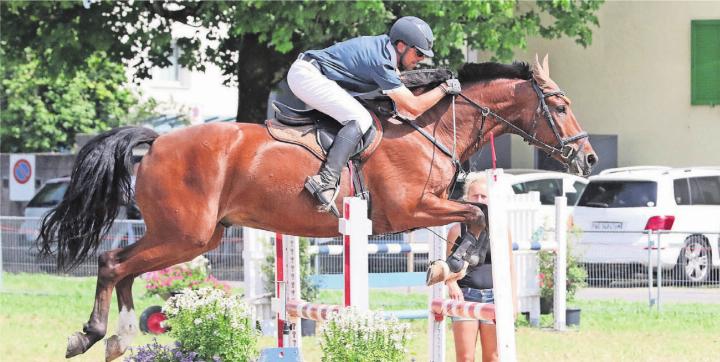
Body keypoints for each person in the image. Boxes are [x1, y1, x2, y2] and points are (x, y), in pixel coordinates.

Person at [286, 16, 462, 213]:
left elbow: (401, 96)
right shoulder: (380, 62)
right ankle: (325, 180)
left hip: (313, 74)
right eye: (419, 53)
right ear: (402, 46)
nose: (421, 60)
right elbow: (413, 107)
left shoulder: (384, 51)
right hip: (307, 76)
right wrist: (444, 89)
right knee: (361, 119)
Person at [444, 172, 517, 362]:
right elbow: (448, 267)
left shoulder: (501, 230)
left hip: (495, 297)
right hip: (466, 296)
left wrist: (513, 301)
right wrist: (451, 285)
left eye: (483, 196)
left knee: (493, 357)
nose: (479, 200)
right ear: (467, 199)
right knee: (465, 357)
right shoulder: (456, 229)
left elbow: (510, 267)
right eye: (475, 196)